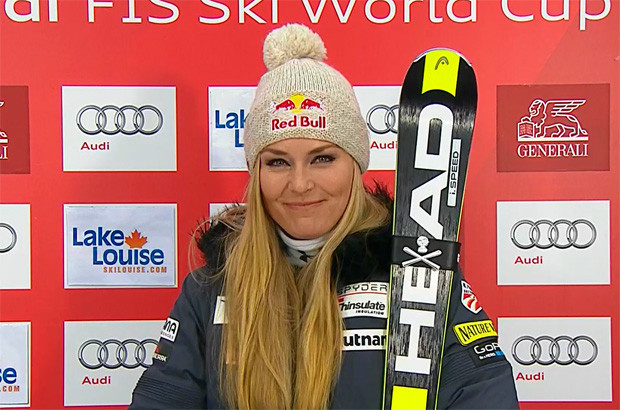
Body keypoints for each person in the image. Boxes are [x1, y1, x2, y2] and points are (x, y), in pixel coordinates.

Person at [129, 23, 519, 409]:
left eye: (322, 159)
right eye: (278, 162)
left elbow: (485, 394)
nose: (300, 184)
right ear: (256, 173)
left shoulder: (420, 279)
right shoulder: (210, 289)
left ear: (355, 164)